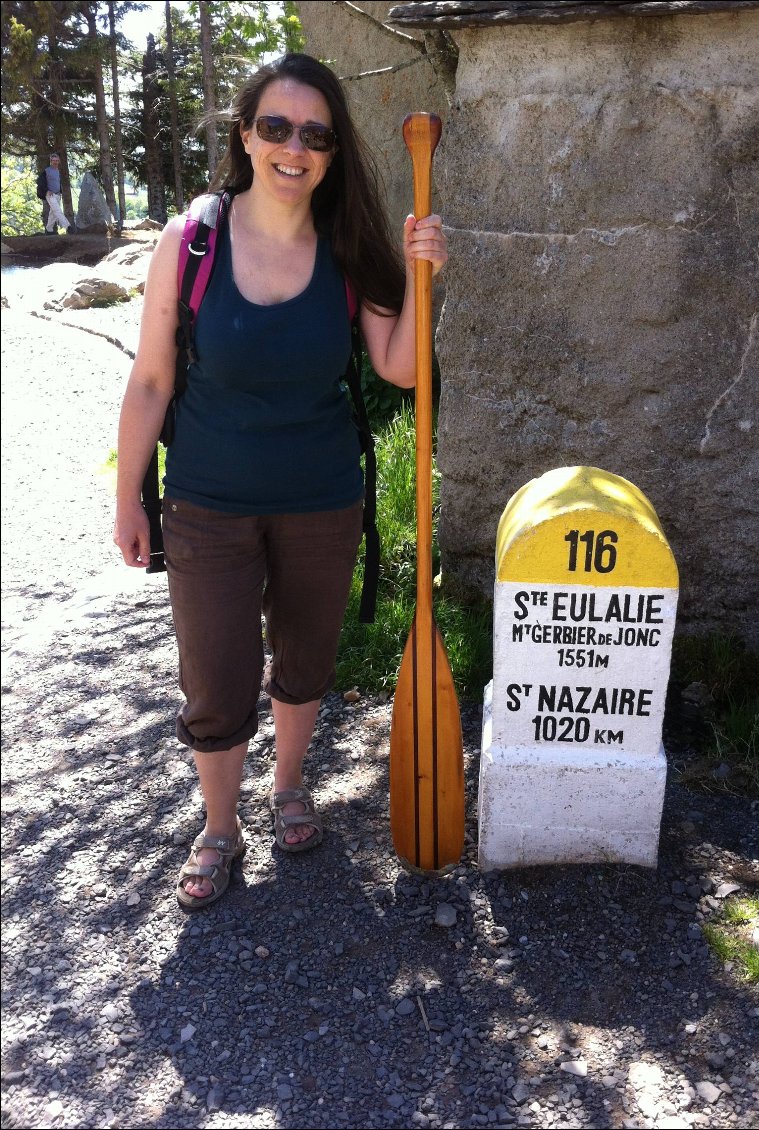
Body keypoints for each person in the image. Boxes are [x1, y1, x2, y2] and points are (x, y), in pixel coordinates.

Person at [113, 53, 447, 910]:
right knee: (214, 677)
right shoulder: (191, 241)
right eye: (276, 127)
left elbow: (402, 369)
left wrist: (422, 283)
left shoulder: (349, 248)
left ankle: (288, 783)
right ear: (245, 134)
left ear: (333, 153)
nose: (293, 147)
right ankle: (218, 825)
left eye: (315, 134)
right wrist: (127, 496)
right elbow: (151, 380)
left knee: (305, 658)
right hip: (206, 503)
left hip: (321, 498)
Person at [43, 153, 71, 234]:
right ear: (51, 161)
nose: (55, 162)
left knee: (53, 213)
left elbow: (59, 183)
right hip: (50, 195)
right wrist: (47, 190)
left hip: (57, 195)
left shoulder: (59, 171)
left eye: (57, 161)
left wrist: (60, 192)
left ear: (59, 162)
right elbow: (40, 182)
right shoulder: (47, 171)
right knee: (58, 210)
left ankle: (49, 230)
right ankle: (68, 226)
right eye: (54, 161)